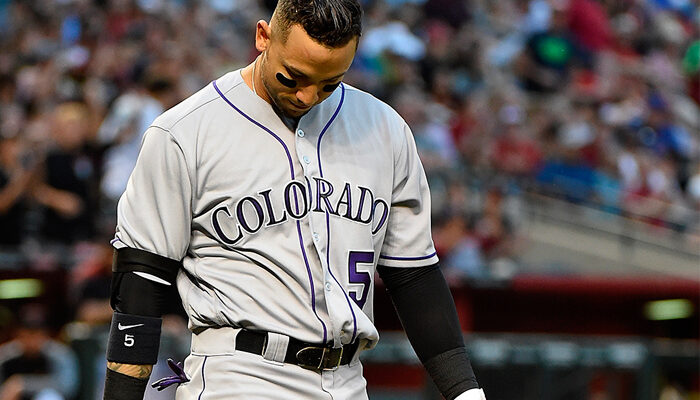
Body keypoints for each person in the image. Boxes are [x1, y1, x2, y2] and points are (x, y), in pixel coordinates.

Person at [102, 1, 486, 399]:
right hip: (240, 376)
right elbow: (140, 286)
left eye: (329, 84)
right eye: (293, 77)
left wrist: (466, 392)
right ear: (263, 36)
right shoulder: (185, 132)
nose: (307, 96)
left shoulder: (384, 128)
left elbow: (414, 275)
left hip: (349, 380)